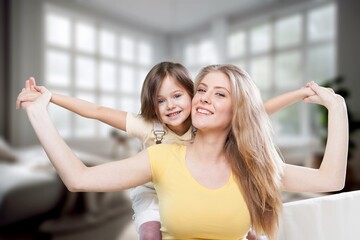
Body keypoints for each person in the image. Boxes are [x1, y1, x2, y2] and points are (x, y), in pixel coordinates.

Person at [18, 64, 346, 239]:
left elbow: (331, 179)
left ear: (239, 110)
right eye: (202, 89)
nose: (203, 97)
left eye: (220, 94)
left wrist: (336, 107)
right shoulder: (161, 155)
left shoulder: (253, 166)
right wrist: (39, 111)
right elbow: (78, 178)